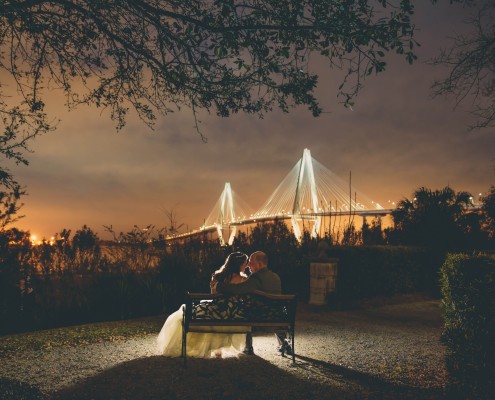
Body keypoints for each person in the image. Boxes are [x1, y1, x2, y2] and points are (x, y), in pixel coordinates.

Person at [157, 252, 249, 358]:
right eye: (245, 263)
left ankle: (203, 347)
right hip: (231, 312)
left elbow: (213, 295)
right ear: (238, 264)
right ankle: (217, 349)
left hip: (216, 306)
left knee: (204, 315)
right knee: (222, 317)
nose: (246, 266)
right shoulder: (243, 280)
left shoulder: (218, 276)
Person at [215, 251, 292, 355]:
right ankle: (284, 343)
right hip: (278, 315)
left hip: (261, 316)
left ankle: (248, 347)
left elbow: (237, 289)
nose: (248, 265)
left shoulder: (256, 278)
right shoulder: (275, 277)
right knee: (267, 308)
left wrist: (218, 286)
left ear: (260, 264)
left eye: (251, 262)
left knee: (245, 310)